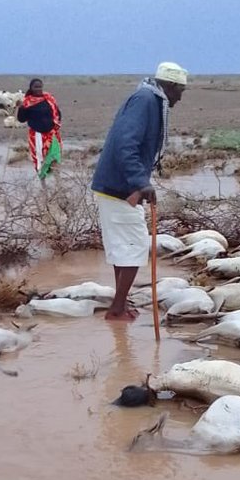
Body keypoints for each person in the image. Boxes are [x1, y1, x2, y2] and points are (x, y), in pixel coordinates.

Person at [91, 61, 188, 321]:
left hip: (118, 187)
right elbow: (126, 142)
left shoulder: (149, 99)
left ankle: (119, 303)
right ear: (169, 86)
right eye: (180, 90)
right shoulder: (146, 100)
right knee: (136, 246)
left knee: (124, 247)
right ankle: (116, 309)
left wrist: (138, 182)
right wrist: (140, 182)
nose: (180, 97)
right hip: (119, 186)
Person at [16, 78, 62, 178]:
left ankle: (58, 183)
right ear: (31, 88)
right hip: (37, 136)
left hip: (52, 134)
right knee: (40, 159)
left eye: (40, 86)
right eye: (36, 87)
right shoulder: (27, 102)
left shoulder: (49, 98)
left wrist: (56, 125)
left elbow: (57, 113)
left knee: (54, 157)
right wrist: (21, 109)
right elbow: (21, 119)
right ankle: (43, 184)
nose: (38, 89)